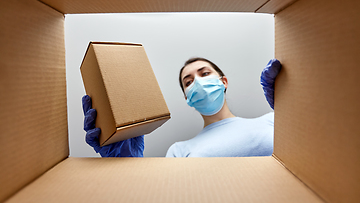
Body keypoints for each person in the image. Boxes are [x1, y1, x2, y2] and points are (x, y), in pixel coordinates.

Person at [82, 58, 281, 157]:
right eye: (188, 82)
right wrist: (126, 167)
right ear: (187, 97)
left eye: (204, 74)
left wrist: (288, 112)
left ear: (224, 82)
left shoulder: (272, 120)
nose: (198, 83)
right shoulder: (179, 151)